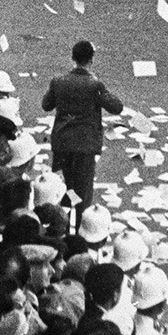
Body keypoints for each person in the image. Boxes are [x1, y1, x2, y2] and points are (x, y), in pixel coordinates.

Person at [41, 41, 122, 223]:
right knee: (82, 191)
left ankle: (59, 225)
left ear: (72, 58)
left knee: (64, 187)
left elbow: (46, 105)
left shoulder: (58, 81)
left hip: (62, 143)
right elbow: (116, 107)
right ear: (91, 60)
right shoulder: (95, 85)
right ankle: (78, 230)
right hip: (84, 146)